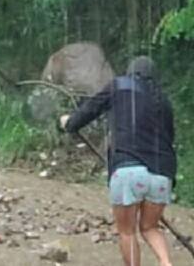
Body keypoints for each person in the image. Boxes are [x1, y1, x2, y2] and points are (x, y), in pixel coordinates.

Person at [59, 56, 176, 266]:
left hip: (128, 170)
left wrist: (69, 123)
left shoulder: (119, 85)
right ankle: (166, 263)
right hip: (162, 174)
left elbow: (89, 111)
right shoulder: (163, 101)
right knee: (150, 228)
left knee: (127, 232)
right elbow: (169, 138)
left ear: (130, 72)